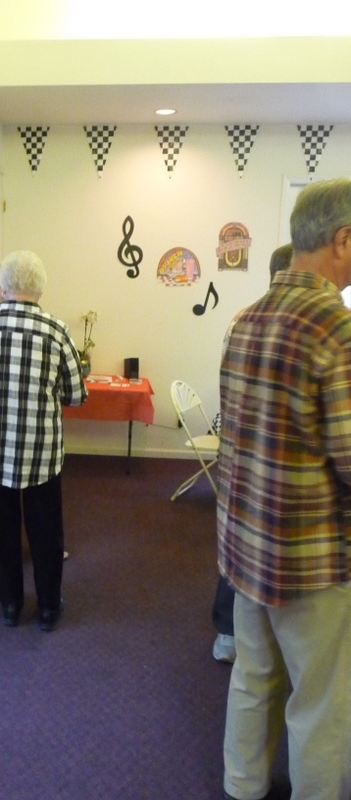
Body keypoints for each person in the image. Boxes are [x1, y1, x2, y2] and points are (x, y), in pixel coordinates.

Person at [218, 178, 351, 800]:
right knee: (321, 702)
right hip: (310, 556)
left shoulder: (245, 321)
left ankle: (241, 786)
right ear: (343, 240)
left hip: (245, 542)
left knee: (253, 676)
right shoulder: (336, 329)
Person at [0, 250, 86, 630]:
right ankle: (48, 608)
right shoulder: (56, 330)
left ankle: (10, 604)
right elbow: (76, 395)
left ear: (3, 286)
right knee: (46, 532)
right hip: (41, 452)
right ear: (40, 288)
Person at [212, 244, 294, 664]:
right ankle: (239, 635)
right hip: (273, 453)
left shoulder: (241, 319)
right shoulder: (306, 326)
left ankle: (229, 634)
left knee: (240, 545)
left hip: (240, 449)